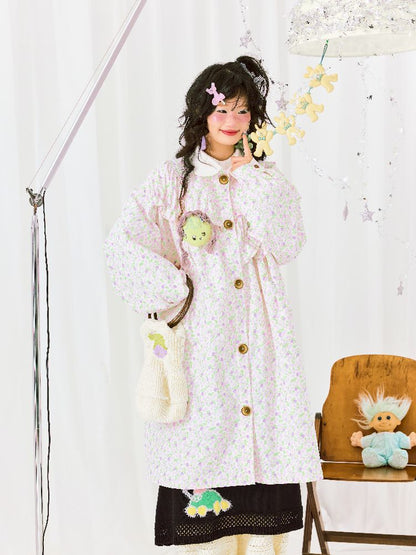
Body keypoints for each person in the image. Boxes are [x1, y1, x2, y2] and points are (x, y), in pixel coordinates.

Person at [104, 56, 322, 554]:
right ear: (203, 112)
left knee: (263, 438)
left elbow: (288, 243)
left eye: (243, 112)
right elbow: (122, 243)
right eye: (223, 109)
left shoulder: (266, 179)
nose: (232, 121)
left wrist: (252, 179)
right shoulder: (173, 179)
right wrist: (174, 288)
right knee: (204, 440)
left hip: (261, 331)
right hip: (203, 335)